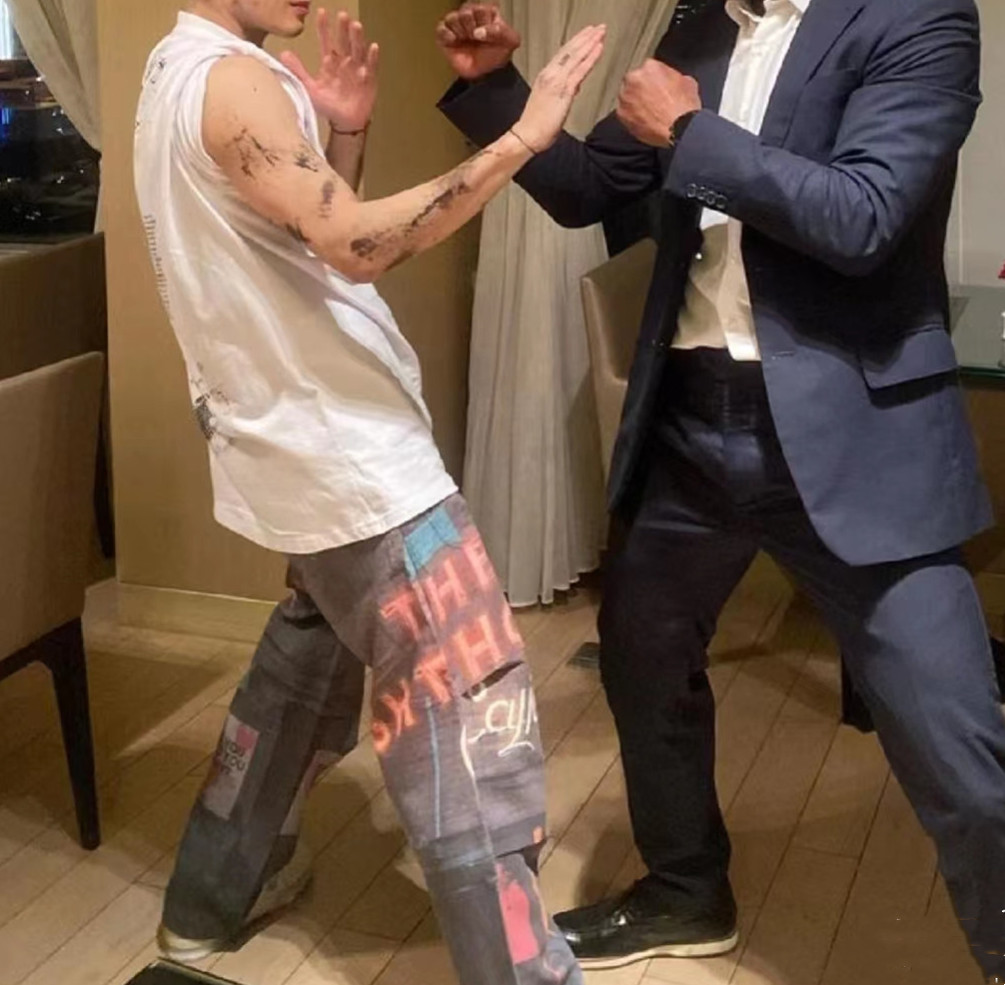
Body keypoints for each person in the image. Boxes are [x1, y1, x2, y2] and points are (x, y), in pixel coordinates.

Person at [436, 1, 1005, 982]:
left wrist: (691, 130)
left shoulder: (916, 16)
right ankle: (684, 890)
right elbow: (589, 187)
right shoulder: (699, 26)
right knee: (642, 654)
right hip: (693, 425)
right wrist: (494, 88)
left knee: (959, 745)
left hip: (857, 439)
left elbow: (863, 215)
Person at [133, 3, 607, 983]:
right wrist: (523, 136)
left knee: (306, 657)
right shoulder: (234, 81)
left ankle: (214, 896)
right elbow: (355, 247)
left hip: (289, 447)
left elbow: (304, 245)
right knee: (470, 714)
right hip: (348, 455)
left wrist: (343, 134)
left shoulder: (174, 70)